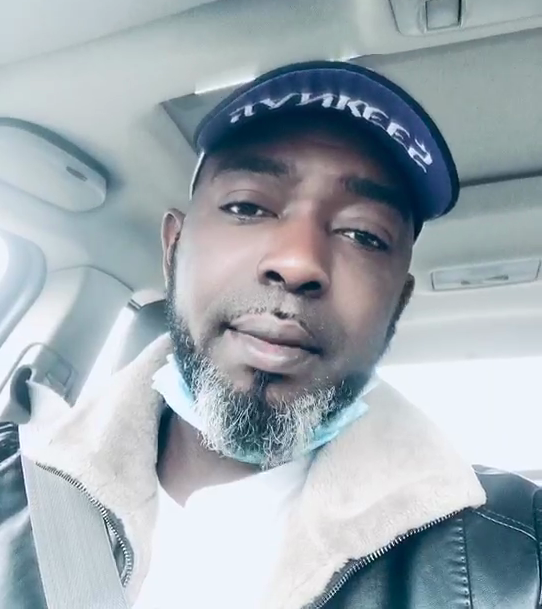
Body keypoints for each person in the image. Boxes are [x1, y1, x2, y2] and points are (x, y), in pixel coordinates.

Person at [1, 61, 540, 608]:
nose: (298, 262)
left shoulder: (520, 558)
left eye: (363, 234)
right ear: (174, 249)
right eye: (247, 206)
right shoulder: (13, 493)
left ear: (396, 305)